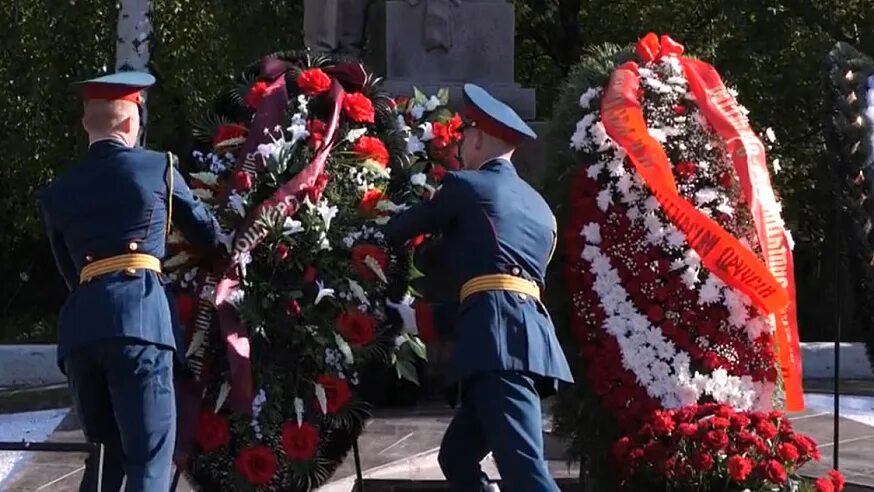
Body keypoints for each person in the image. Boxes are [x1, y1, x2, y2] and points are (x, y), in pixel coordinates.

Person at [38, 71, 224, 492]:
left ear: (88, 124)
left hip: (83, 332)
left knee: (103, 462)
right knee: (149, 462)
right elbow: (207, 234)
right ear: (129, 122)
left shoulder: (57, 193)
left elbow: (71, 272)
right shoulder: (158, 167)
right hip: (140, 323)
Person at [384, 83, 574, 492]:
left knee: (525, 473)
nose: (461, 146)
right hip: (518, 340)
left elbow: (395, 230)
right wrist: (415, 319)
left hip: (498, 348)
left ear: (479, 138)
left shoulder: (467, 187)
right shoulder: (542, 211)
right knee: (456, 457)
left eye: (465, 135)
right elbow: (496, 291)